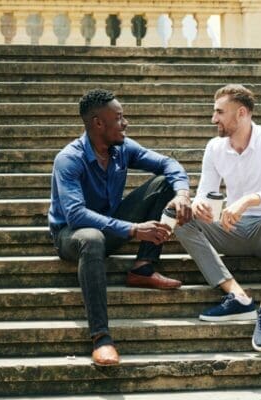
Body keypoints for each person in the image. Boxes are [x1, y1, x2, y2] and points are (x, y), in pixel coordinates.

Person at [48, 89, 192, 366]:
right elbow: (76, 215)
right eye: (119, 118)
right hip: (71, 235)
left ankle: (144, 267)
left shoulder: (122, 149)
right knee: (91, 239)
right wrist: (135, 229)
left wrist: (183, 194)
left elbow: (168, 163)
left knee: (165, 183)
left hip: (112, 226)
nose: (125, 123)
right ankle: (101, 338)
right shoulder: (69, 159)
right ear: (98, 123)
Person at [174, 84, 261, 352]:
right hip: (230, 229)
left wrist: (248, 199)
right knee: (182, 220)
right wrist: (199, 205)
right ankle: (238, 295)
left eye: (220, 112)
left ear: (242, 113)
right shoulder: (214, 147)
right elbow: (204, 192)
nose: (214, 119)